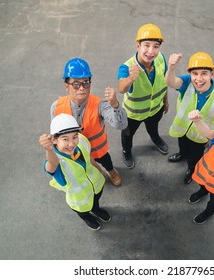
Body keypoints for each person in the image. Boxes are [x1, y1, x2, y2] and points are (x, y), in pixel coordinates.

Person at [50, 58, 127, 186]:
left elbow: (121, 125)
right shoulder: (56, 107)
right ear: (66, 86)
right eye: (76, 84)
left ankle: (111, 171)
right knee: (83, 170)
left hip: (97, 151)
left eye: (86, 82)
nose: (82, 88)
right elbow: (55, 134)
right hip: (72, 151)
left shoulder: (100, 105)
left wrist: (115, 105)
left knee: (106, 161)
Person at [165, 52, 214, 184]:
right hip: (183, 129)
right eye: (195, 73)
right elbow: (170, 82)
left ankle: (191, 169)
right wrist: (171, 68)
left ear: (212, 73)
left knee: (195, 157)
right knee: (182, 145)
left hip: (200, 137)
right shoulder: (187, 82)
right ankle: (182, 154)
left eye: (204, 73)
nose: (198, 79)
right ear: (190, 74)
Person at [39, 113, 112, 230]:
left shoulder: (81, 142)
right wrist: (49, 150)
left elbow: (89, 157)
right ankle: (87, 218)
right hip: (79, 200)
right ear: (54, 140)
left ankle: (96, 209)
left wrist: (99, 169)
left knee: (95, 203)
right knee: (83, 212)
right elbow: (52, 164)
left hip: (96, 187)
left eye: (74, 137)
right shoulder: (57, 162)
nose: (71, 143)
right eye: (65, 139)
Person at [117, 23, 169, 169]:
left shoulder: (161, 59)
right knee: (128, 135)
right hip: (133, 113)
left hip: (155, 109)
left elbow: (163, 81)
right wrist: (129, 79)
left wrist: (165, 100)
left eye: (156, 46)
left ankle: (156, 139)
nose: (151, 51)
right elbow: (121, 88)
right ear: (138, 45)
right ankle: (126, 151)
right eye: (146, 45)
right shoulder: (127, 67)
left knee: (153, 127)